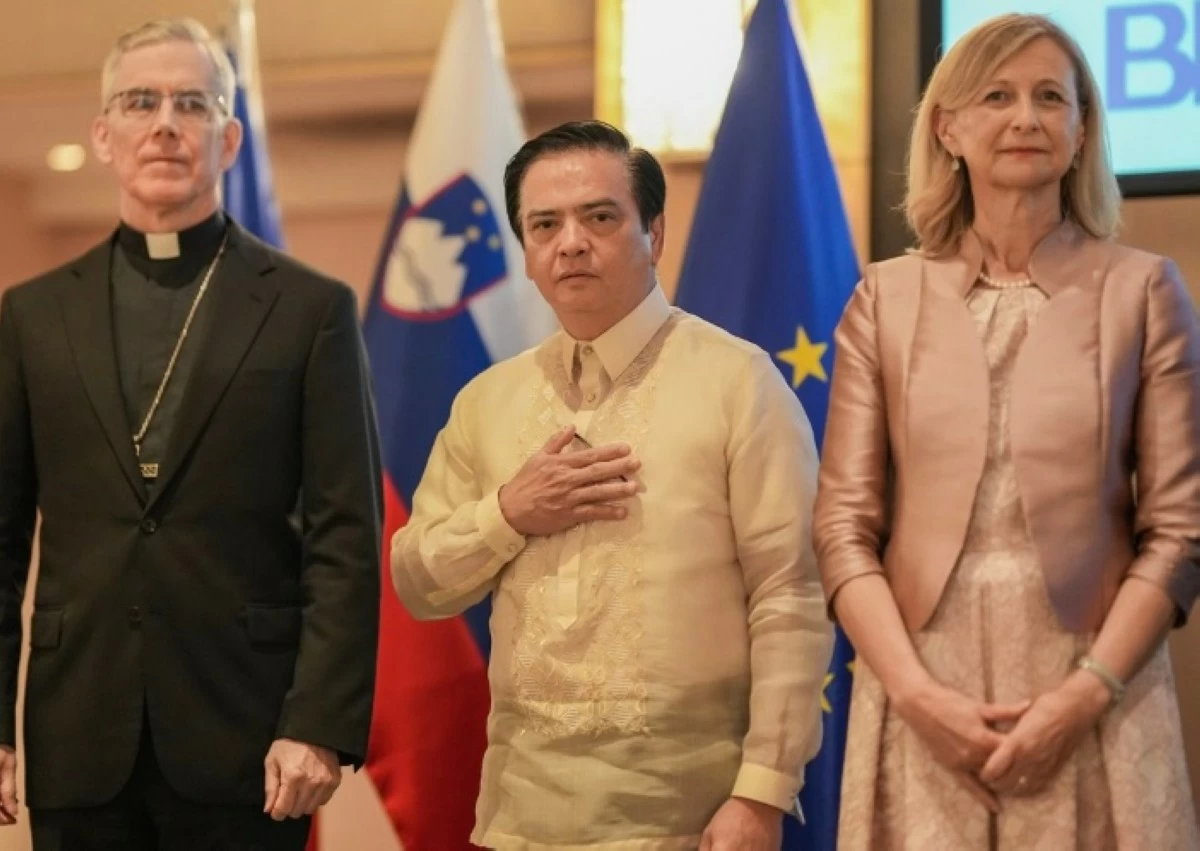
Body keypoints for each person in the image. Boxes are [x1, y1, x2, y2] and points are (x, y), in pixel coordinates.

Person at [391, 120, 833, 850]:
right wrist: (509, 513)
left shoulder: (736, 380)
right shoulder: (487, 402)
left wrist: (763, 790)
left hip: (689, 817)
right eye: (544, 224)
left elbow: (792, 593)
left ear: (654, 234)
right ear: (526, 253)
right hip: (519, 818)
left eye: (599, 216)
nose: (570, 241)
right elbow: (415, 580)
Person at [815, 13, 1199, 849]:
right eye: (997, 95)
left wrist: (1083, 694)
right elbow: (843, 533)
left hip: (1096, 682)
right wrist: (918, 697)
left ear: (1081, 128)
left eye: (1050, 97)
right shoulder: (883, 299)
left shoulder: (1144, 290)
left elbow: (1177, 533)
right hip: (921, 686)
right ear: (948, 127)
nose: (1026, 116)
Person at [0, 18, 382, 850]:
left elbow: (347, 535)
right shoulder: (30, 316)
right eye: (141, 102)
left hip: (248, 736)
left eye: (192, 103)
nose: (165, 123)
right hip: (78, 734)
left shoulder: (309, 310)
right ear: (104, 134)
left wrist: (320, 722)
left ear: (229, 136)